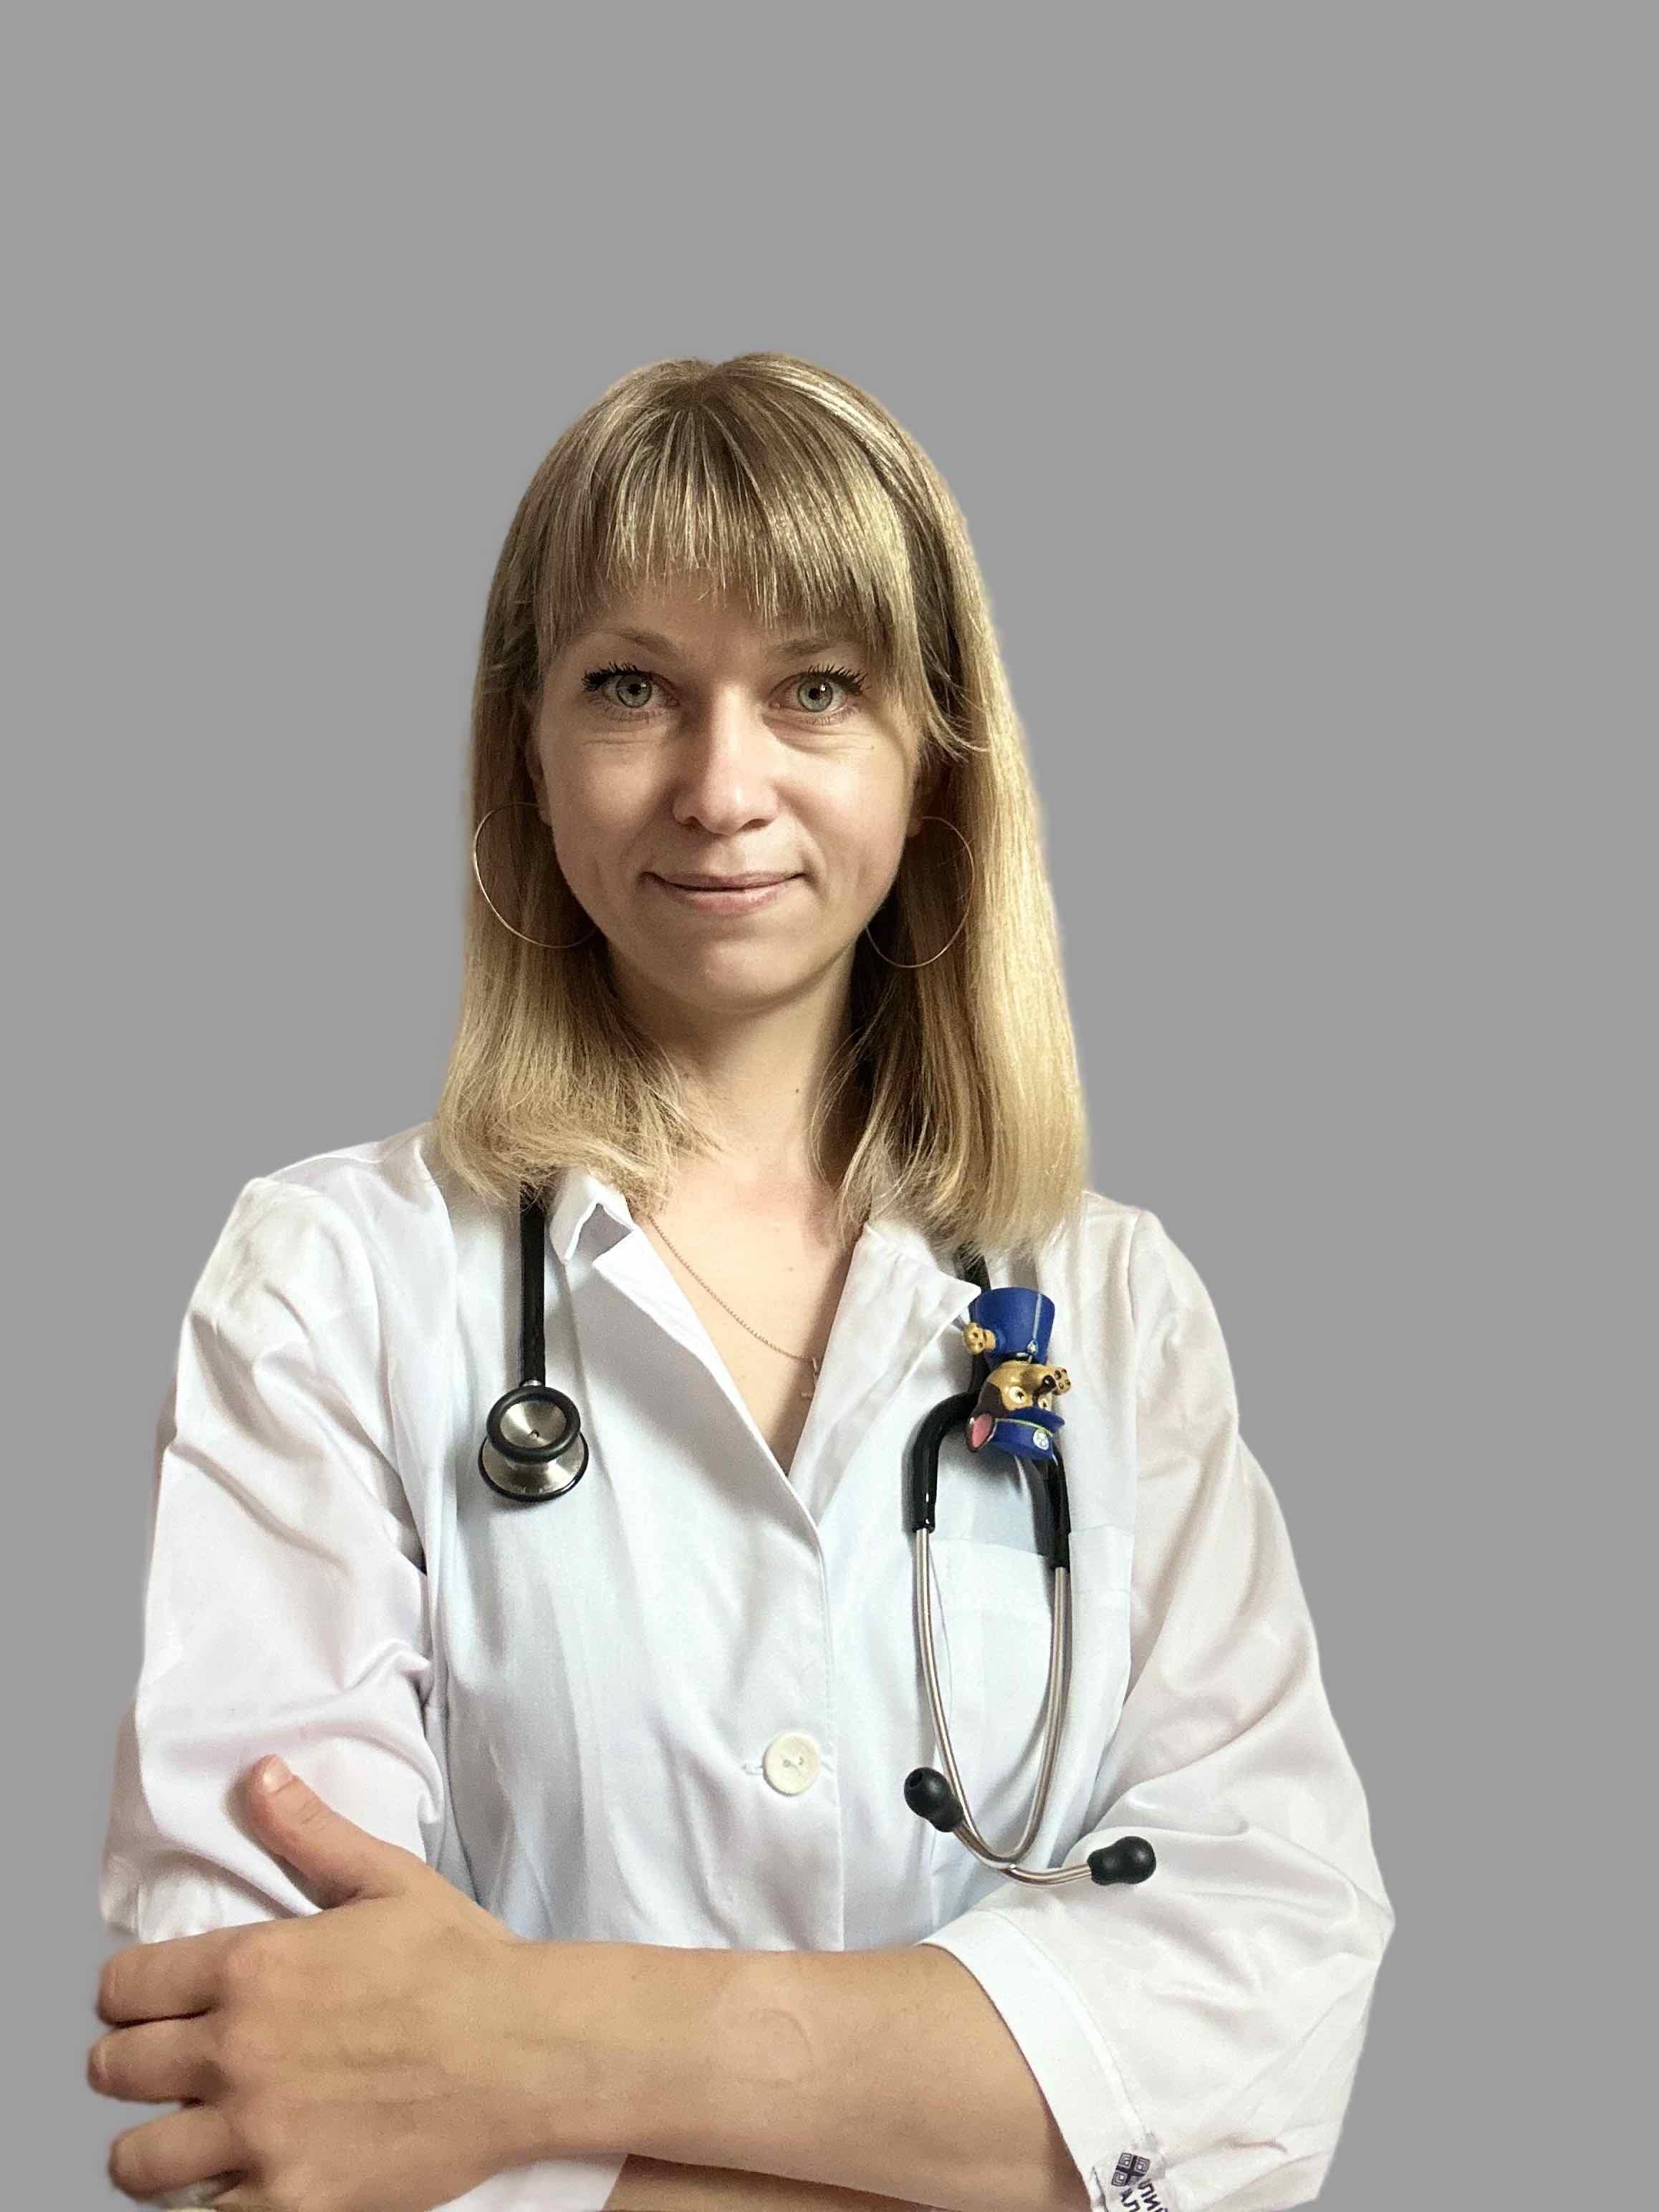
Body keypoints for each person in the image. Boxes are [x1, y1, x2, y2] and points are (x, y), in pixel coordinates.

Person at [93, 352, 1395, 2212]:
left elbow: (1266, 2018)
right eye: (631, 687)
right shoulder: (327, 1286)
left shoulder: (1114, 1310)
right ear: (528, 752)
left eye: (815, 690)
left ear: (933, 761)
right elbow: (265, 2092)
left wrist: (534, 2050)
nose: (721, 788)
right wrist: (984, 2138)